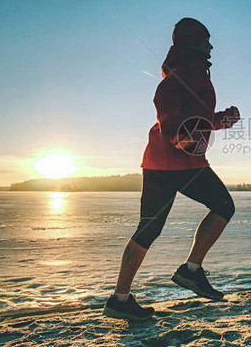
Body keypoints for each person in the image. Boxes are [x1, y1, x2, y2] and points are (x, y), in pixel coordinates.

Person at [103, 18, 240, 321]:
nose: (211, 46)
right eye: (206, 40)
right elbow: (167, 108)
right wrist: (179, 136)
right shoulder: (183, 74)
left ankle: (119, 299)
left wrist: (221, 120)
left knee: (148, 229)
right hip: (181, 162)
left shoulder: (191, 72)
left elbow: (196, 118)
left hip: (160, 162)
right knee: (223, 205)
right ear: (193, 43)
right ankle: (191, 270)